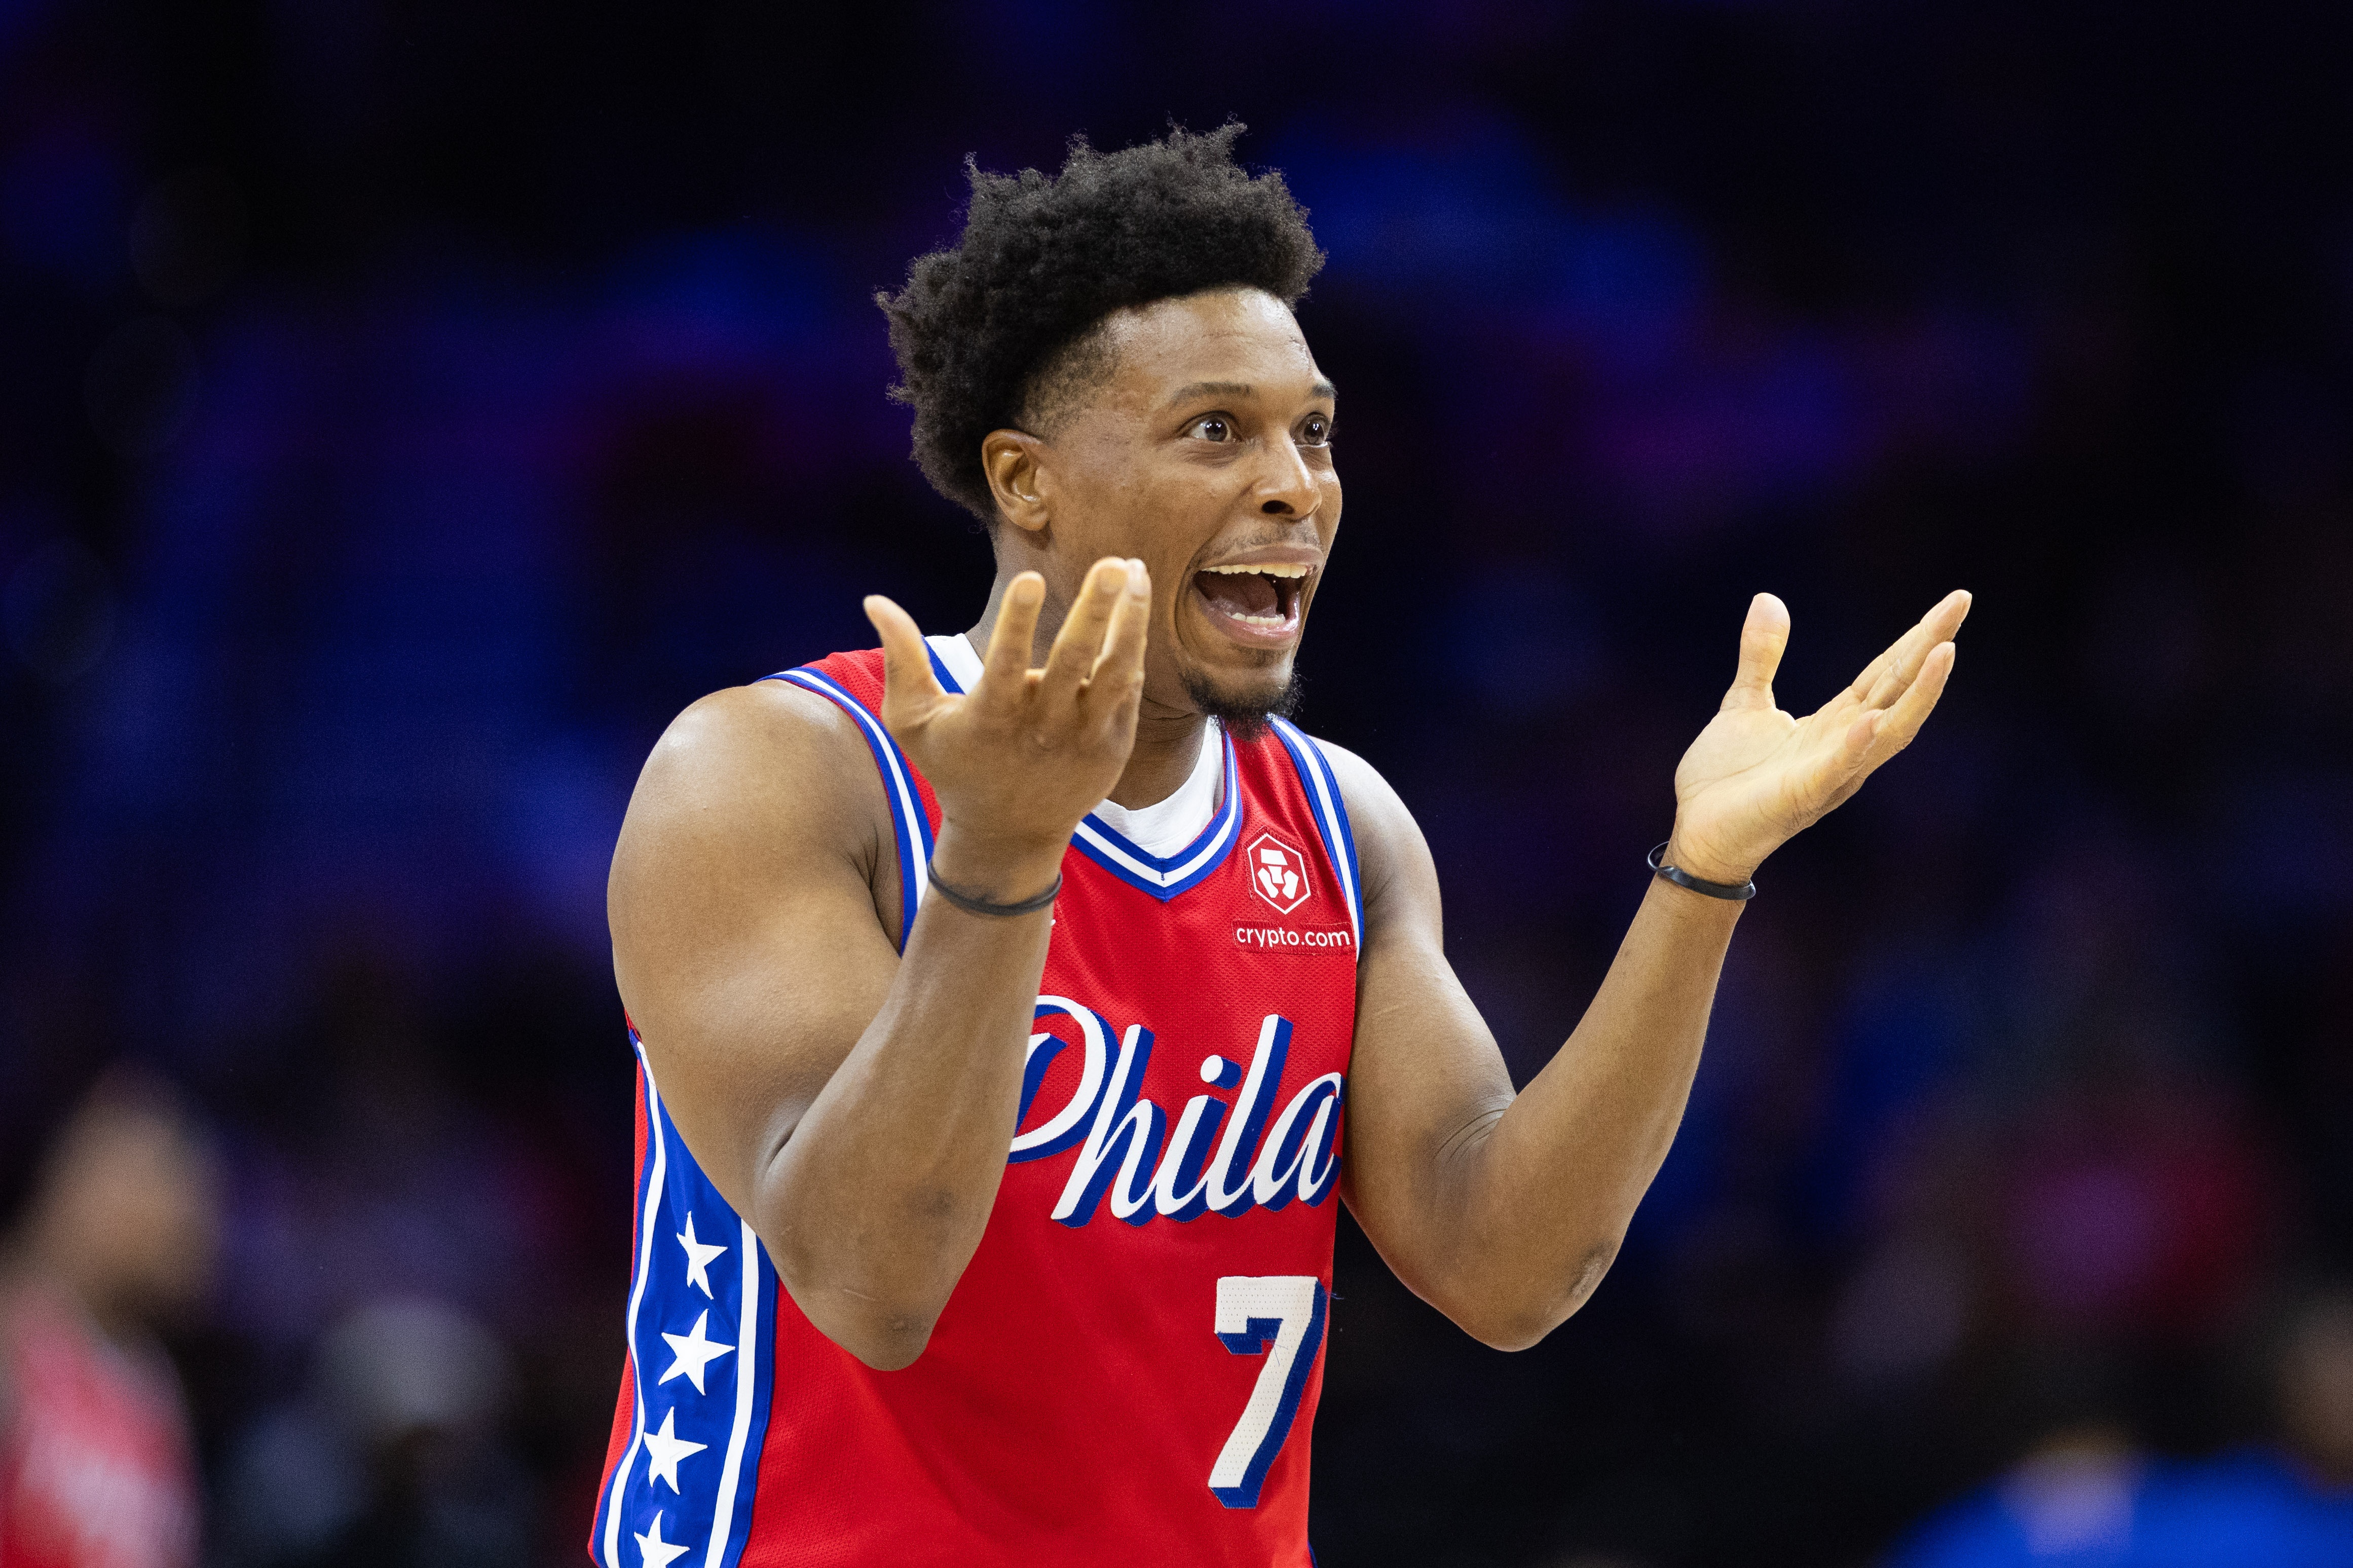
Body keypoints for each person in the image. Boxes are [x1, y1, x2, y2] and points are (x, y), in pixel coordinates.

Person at [589, 125, 1967, 1567]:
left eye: (1312, 431)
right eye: (1216, 430)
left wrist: (1703, 875)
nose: (1294, 486)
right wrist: (999, 857)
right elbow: (871, 1281)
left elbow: (1505, 1268)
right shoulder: (779, 773)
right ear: (1025, 480)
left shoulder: (1340, 824)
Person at [0, 1069, 219, 1568]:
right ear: (84, 1185)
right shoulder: (13, 1331)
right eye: (166, 1185)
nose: (190, 1219)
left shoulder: (153, 1383)